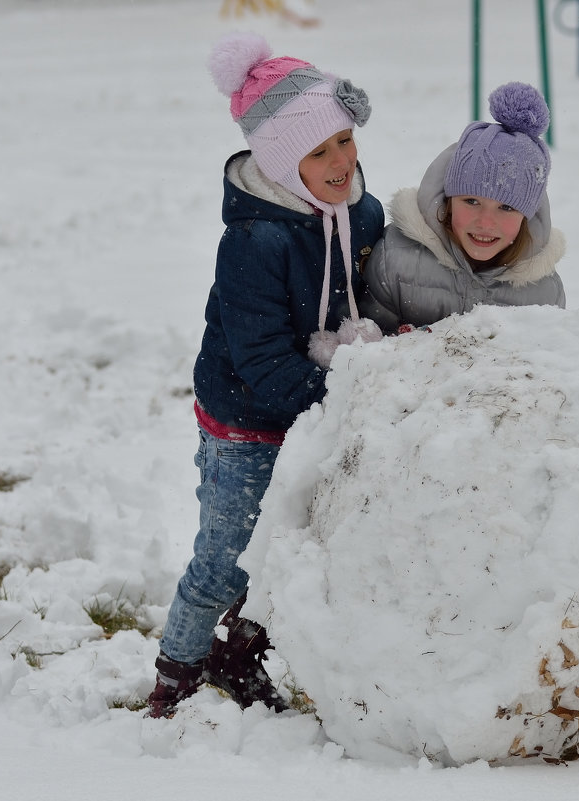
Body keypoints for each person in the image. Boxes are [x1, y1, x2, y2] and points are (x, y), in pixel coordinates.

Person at [146, 33, 384, 718]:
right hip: (245, 423)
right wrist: (348, 395)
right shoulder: (256, 241)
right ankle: (178, 674)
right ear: (282, 164)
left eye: (344, 138)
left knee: (286, 552)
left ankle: (237, 655)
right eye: (319, 152)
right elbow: (261, 361)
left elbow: (377, 293)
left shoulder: (359, 212)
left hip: (308, 410)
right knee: (227, 556)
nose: (341, 160)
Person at [360, 82, 565, 332]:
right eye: (471, 201)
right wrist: (404, 346)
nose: (486, 223)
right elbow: (363, 348)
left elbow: (549, 364)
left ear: (527, 216)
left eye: (507, 208)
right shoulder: (396, 260)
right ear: (448, 201)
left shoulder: (542, 292)